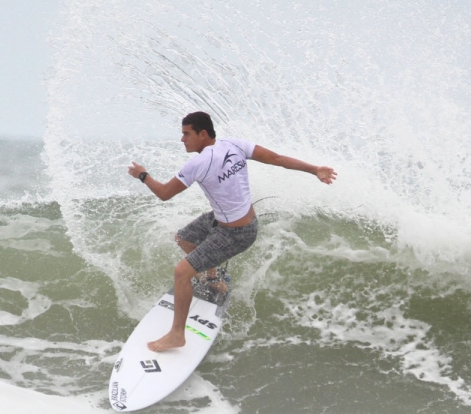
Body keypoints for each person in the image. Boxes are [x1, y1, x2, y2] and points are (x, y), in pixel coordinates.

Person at [127, 111, 337, 352]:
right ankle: (215, 280)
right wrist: (314, 169)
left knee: (182, 273)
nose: (182, 139)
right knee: (184, 238)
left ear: (202, 134)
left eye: (186, 134)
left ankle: (177, 335)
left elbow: (164, 194)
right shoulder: (234, 145)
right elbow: (276, 158)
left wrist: (142, 175)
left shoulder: (197, 163)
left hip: (236, 233)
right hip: (229, 220)